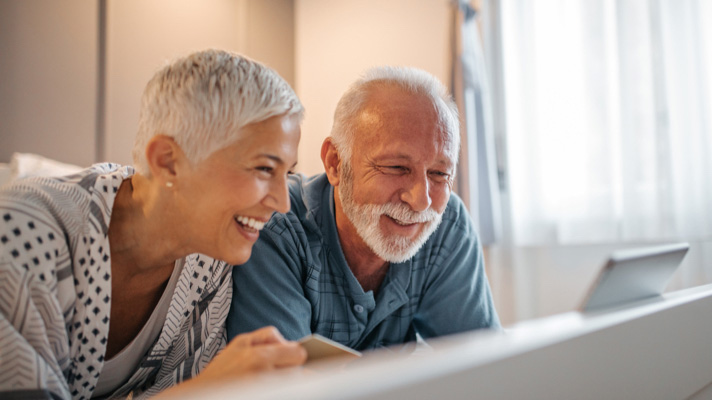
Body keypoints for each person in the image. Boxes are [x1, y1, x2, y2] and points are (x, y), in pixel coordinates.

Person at [0, 49, 307, 399]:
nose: (283, 203)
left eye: (288, 173)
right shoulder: (21, 230)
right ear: (168, 161)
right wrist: (205, 389)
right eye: (264, 169)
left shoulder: (209, 263)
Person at [227, 66, 500, 352]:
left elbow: (487, 363)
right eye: (396, 167)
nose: (422, 201)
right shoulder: (276, 226)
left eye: (439, 174)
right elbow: (279, 386)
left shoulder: (448, 225)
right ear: (335, 163)